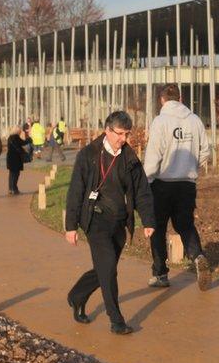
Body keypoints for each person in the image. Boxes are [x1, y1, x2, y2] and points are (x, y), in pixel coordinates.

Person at [65, 111, 155, 335]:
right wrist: (70, 226)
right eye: (120, 134)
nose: (123, 139)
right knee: (109, 272)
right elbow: (76, 190)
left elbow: (143, 191)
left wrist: (148, 220)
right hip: (95, 220)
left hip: (118, 222)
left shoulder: (129, 158)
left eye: (127, 134)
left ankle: (77, 295)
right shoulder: (88, 155)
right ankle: (116, 320)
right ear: (107, 130)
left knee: (105, 269)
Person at [143, 83, 212, 291]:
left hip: (162, 184)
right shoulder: (195, 120)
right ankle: (197, 255)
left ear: (162, 100)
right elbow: (205, 151)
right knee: (185, 224)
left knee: (158, 228)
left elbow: (154, 155)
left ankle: (160, 273)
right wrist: (191, 167)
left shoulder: (160, 122)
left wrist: (146, 180)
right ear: (180, 99)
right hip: (186, 184)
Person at [6, 126, 29, 195]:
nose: (20, 133)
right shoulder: (16, 137)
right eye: (19, 131)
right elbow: (22, 143)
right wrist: (28, 139)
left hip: (10, 157)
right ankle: (14, 189)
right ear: (17, 132)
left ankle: (10, 188)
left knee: (11, 174)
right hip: (16, 158)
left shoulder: (9, 138)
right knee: (16, 174)